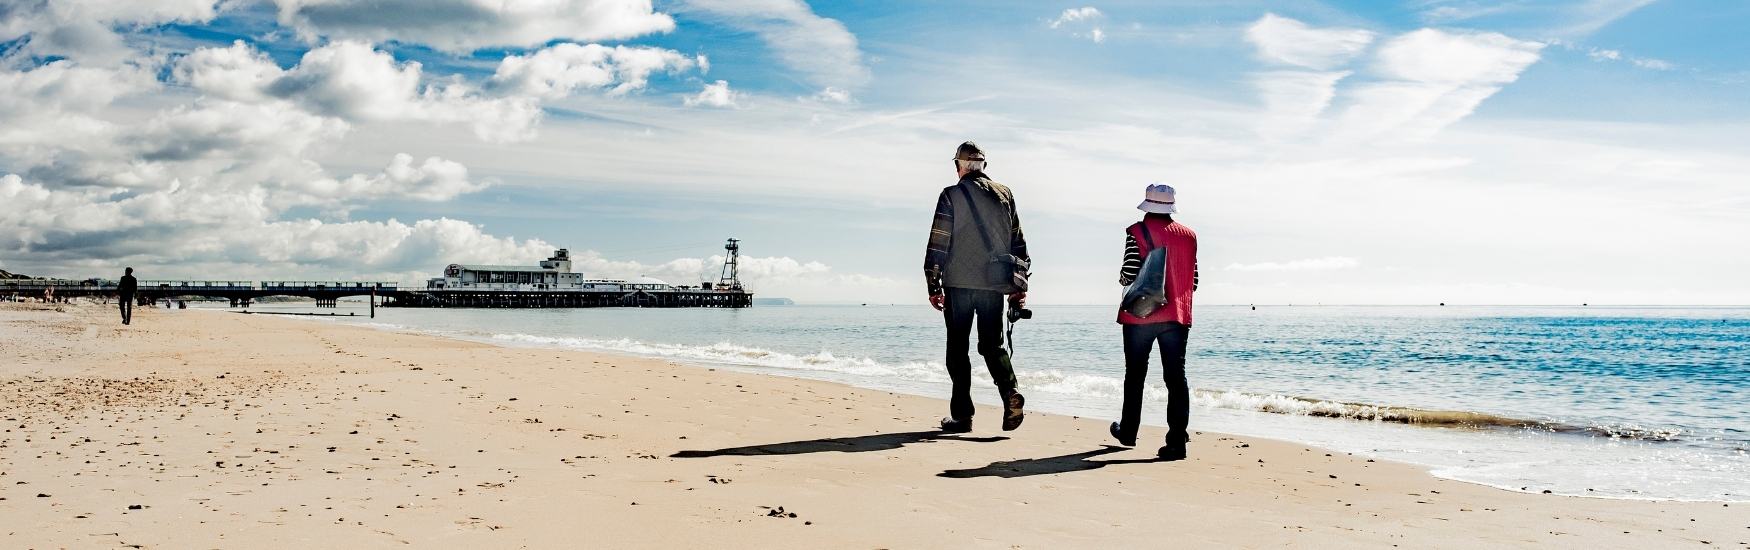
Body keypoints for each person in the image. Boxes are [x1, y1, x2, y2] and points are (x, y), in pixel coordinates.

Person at [923, 141, 1030, 433]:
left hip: (958, 284)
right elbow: (1017, 240)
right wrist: (1021, 283)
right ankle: (1010, 394)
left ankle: (962, 416)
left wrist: (933, 283)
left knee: (958, 349)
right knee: (992, 345)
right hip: (993, 285)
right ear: (984, 166)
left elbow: (939, 241)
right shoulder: (1004, 194)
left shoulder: (951, 195)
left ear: (959, 166)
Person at [1112, 183, 1199, 460]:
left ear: (1147, 205)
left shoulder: (1137, 231)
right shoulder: (1189, 236)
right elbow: (1193, 281)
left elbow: (1128, 274)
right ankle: (1176, 442)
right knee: (1175, 378)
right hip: (1176, 316)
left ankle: (1128, 432)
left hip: (1140, 317)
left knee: (1135, 375)